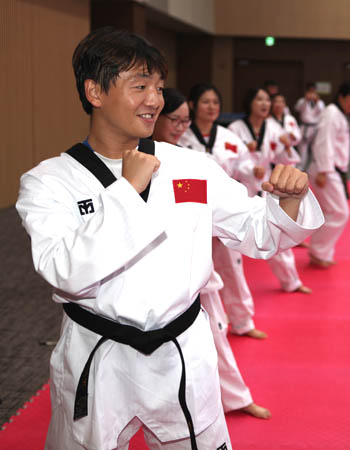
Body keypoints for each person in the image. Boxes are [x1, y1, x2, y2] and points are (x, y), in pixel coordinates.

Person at [15, 27, 324, 450]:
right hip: (98, 354)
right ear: (95, 91)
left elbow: (256, 230)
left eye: (158, 87)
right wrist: (127, 192)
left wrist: (287, 202)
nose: (154, 100)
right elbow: (64, 271)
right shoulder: (50, 182)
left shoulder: (189, 167)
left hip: (181, 349)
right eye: (139, 86)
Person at [155, 87, 272, 419]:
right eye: (173, 120)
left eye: (183, 121)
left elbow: (211, 195)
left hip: (198, 259)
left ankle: (235, 396)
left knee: (217, 329)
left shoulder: (189, 161)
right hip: (155, 276)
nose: (179, 127)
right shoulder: (141, 159)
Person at [180, 83, 270, 340]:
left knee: (232, 267)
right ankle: (198, 328)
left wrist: (254, 172)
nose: (211, 108)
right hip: (191, 210)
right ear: (194, 105)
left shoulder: (229, 137)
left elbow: (244, 166)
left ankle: (242, 320)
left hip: (221, 208)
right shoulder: (182, 136)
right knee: (196, 271)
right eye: (206, 102)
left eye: (215, 103)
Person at [229, 87, 312, 295]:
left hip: (266, 185)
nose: (265, 104)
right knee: (229, 247)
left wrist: (285, 147)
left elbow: (285, 161)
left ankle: (291, 281)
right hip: (241, 187)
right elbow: (231, 160)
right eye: (259, 99)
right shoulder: (235, 128)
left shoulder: (274, 127)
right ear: (249, 103)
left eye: (267, 100)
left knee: (277, 233)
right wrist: (248, 167)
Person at [308, 80, 350, 267]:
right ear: (341, 96)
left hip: (332, 169)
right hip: (327, 169)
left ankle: (323, 252)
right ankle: (318, 251)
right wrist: (324, 171)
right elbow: (324, 142)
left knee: (331, 212)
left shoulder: (339, 114)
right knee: (340, 213)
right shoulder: (332, 113)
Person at [294, 82, 326, 170]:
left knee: (315, 149)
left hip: (315, 127)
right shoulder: (301, 101)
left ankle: (313, 169)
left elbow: (323, 112)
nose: (312, 93)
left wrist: (317, 102)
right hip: (304, 127)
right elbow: (297, 109)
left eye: (313, 91)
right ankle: (300, 168)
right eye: (310, 91)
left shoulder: (320, 102)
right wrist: (305, 101)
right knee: (302, 150)